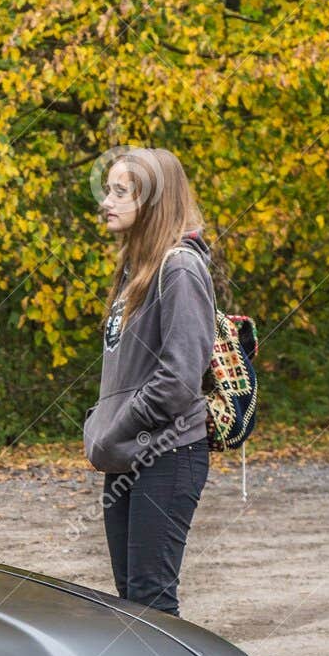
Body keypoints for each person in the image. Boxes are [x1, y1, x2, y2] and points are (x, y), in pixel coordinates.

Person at [83, 147, 216, 617]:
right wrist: (105, 425)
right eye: (109, 190)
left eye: (122, 192)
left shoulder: (179, 268)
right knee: (132, 602)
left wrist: (118, 424)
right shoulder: (133, 270)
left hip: (168, 452)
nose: (108, 201)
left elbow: (180, 379)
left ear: (153, 203)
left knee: (152, 602)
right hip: (127, 452)